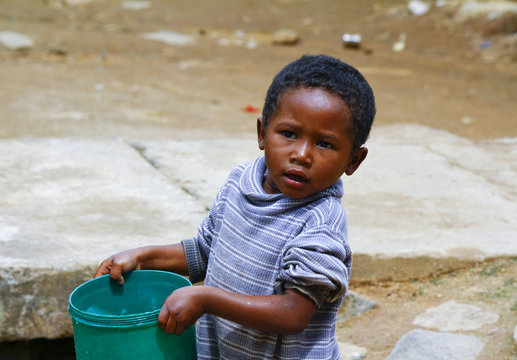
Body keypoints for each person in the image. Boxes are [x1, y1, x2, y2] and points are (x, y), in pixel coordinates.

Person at [94, 54, 376, 359]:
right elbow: (205, 251)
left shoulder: (320, 223)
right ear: (262, 133)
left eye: (325, 144)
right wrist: (142, 257)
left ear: (353, 160)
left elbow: (294, 313)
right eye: (289, 134)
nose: (302, 154)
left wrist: (206, 299)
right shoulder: (241, 182)